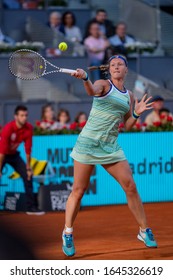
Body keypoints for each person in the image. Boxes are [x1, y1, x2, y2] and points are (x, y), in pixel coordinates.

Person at [62, 55, 158, 257]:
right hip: (88, 144)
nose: (116, 67)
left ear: (126, 70)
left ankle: (143, 230)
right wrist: (86, 78)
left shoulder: (129, 96)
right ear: (109, 69)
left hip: (110, 147)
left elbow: (128, 126)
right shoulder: (102, 84)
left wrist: (137, 113)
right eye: (113, 64)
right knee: (78, 190)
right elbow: (91, 91)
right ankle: (67, 232)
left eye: (120, 64)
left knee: (130, 186)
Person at [0, 105, 44, 215]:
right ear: (16, 117)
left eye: (26, 115)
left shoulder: (28, 128)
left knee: (28, 176)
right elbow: (2, 152)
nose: (24, 117)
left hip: (14, 155)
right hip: (1, 155)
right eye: (22, 115)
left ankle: (30, 208)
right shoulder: (8, 129)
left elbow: (28, 149)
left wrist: (28, 168)